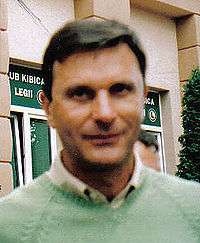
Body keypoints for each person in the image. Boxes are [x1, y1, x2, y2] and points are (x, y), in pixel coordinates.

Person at [0, 19, 200, 243]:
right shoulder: (8, 227)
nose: (104, 114)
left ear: (143, 98)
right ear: (49, 108)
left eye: (120, 89)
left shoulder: (193, 210)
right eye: (80, 93)